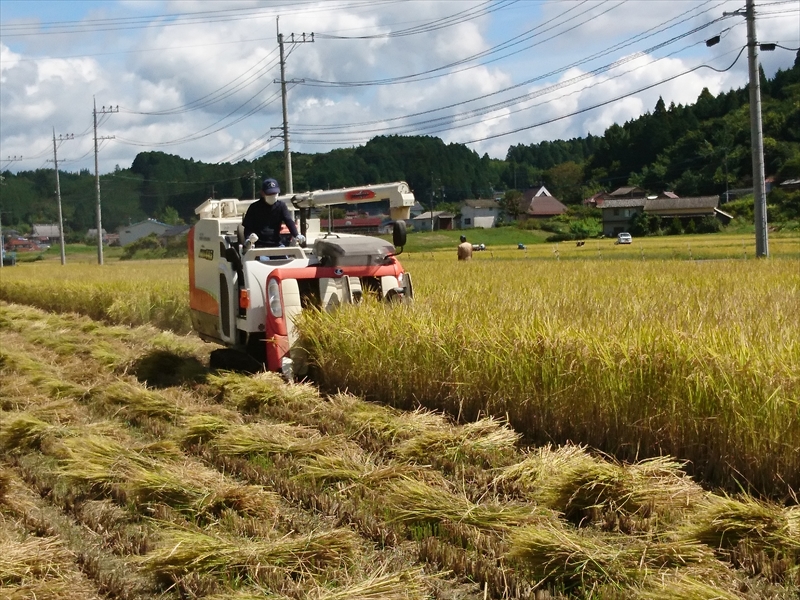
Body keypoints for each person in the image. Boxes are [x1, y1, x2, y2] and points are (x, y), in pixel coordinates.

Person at [242, 178, 305, 247]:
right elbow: (248, 227)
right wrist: (248, 239)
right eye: (270, 194)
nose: (272, 196)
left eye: (274, 193)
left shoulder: (281, 206)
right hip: (260, 245)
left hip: (276, 243)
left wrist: (296, 234)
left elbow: (289, 221)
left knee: (284, 257)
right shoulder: (254, 207)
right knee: (262, 258)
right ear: (262, 193)